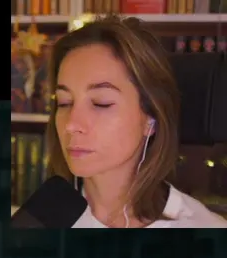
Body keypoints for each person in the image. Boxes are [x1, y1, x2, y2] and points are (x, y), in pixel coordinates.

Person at [47, 15, 227, 228]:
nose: (71, 124)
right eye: (64, 102)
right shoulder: (40, 220)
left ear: (151, 118)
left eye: (101, 103)